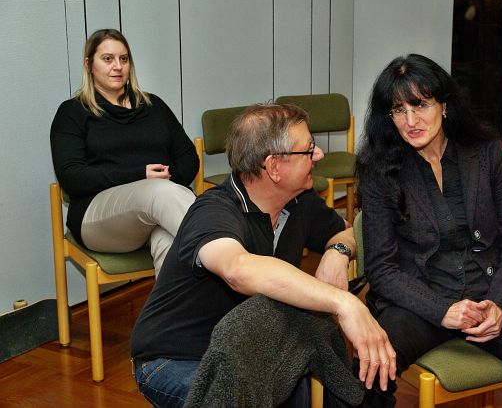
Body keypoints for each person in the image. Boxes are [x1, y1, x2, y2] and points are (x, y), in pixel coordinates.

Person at [356, 54, 502, 407]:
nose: (411, 121)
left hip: (487, 292)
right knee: (367, 373)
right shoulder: (380, 169)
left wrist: (500, 305)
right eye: (399, 110)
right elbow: (382, 270)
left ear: (444, 105)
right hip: (418, 299)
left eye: (421, 105)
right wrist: (442, 310)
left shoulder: (487, 153)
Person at [130, 104, 396, 407]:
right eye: (308, 149)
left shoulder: (299, 200)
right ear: (273, 167)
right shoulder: (213, 210)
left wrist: (337, 252)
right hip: (175, 359)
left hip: (249, 352)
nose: (319, 155)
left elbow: (346, 232)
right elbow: (237, 268)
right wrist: (344, 303)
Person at [50, 29, 199, 275]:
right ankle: (235, 261)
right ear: (89, 64)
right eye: (107, 59)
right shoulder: (72, 112)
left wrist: (168, 178)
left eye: (124, 59)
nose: (117, 66)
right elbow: (71, 176)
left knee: (170, 243)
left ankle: (173, 304)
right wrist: (141, 175)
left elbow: (188, 156)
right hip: (98, 218)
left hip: (156, 208)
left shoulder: (153, 105)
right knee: (159, 193)